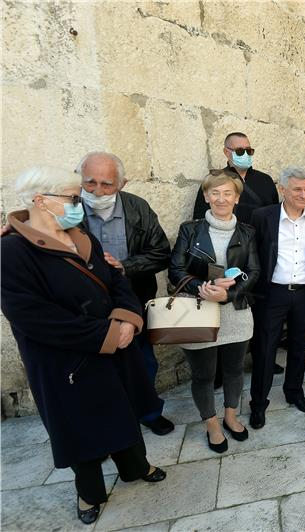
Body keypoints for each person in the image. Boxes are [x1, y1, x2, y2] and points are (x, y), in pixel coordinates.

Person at [1, 167, 166, 525]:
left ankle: (136, 467)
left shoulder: (82, 236)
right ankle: (88, 492)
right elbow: (32, 316)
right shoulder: (12, 250)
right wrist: (105, 335)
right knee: (80, 428)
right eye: (73, 198)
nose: (81, 204)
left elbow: (116, 280)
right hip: (64, 362)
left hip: (114, 348)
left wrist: (126, 320)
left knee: (122, 412)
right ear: (41, 200)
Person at [75, 151, 175, 436]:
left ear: (123, 182)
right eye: (90, 182)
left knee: (143, 360)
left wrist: (126, 266)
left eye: (106, 184)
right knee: (96, 367)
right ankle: (109, 421)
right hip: (88, 305)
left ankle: (149, 411)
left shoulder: (137, 208)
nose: (97, 191)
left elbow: (160, 253)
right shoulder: (70, 209)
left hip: (134, 298)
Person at [169, 171, 260, 453]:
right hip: (198, 311)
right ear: (206, 196)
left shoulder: (247, 232)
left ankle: (231, 415)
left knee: (234, 370)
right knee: (204, 374)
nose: (221, 198)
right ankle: (211, 422)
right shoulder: (189, 230)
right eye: (215, 193)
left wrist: (229, 293)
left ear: (236, 197)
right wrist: (202, 287)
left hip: (236, 311)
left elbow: (255, 272)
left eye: (227, 193)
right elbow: (175, 270)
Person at [191, 131, 282, 378]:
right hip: (224, 256)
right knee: (222, 309)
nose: (245, 155)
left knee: (260, 308)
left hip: (258, 254)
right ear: (226, 152)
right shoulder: (215, 182)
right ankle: (220, 370)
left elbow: (276, 216)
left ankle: (262, 359)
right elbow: (200, 220)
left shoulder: (264, 180)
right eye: (239, 150)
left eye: (248, 151)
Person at [248, 167, 305, 428]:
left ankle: (294, 392)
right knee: (265, 350)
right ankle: (258, 404)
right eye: (297, 189)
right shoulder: (262, 216)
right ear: (283, 189)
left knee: (299, 347)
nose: (303, 194)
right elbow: (253, 254)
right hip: (271, 294)